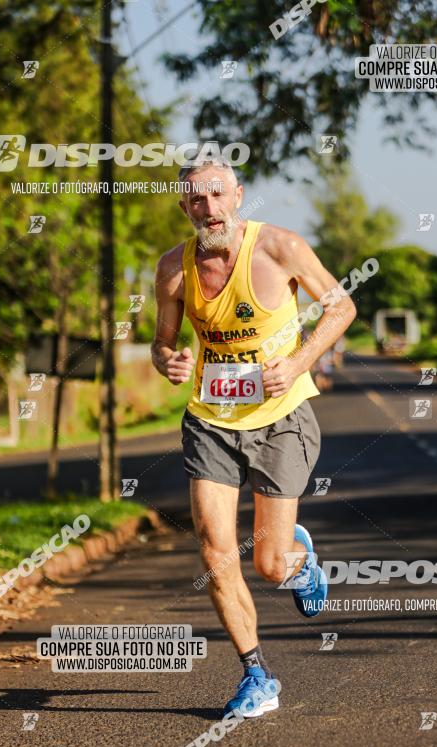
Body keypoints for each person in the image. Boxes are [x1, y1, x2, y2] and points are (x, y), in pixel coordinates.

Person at [151, 156, 355, 718]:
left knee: (268, 563)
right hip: (210, 420)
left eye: (218, 195)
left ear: (237, 195)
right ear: (184, 206)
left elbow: (341, 306)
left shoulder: (280, 248)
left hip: (281, 418)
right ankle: (256, 673)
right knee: (217, 553)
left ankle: (298, 561)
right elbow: (161, 341)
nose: (208, 208)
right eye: (196, 199)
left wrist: (298, 362)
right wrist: (168, 360)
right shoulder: (173, 267)